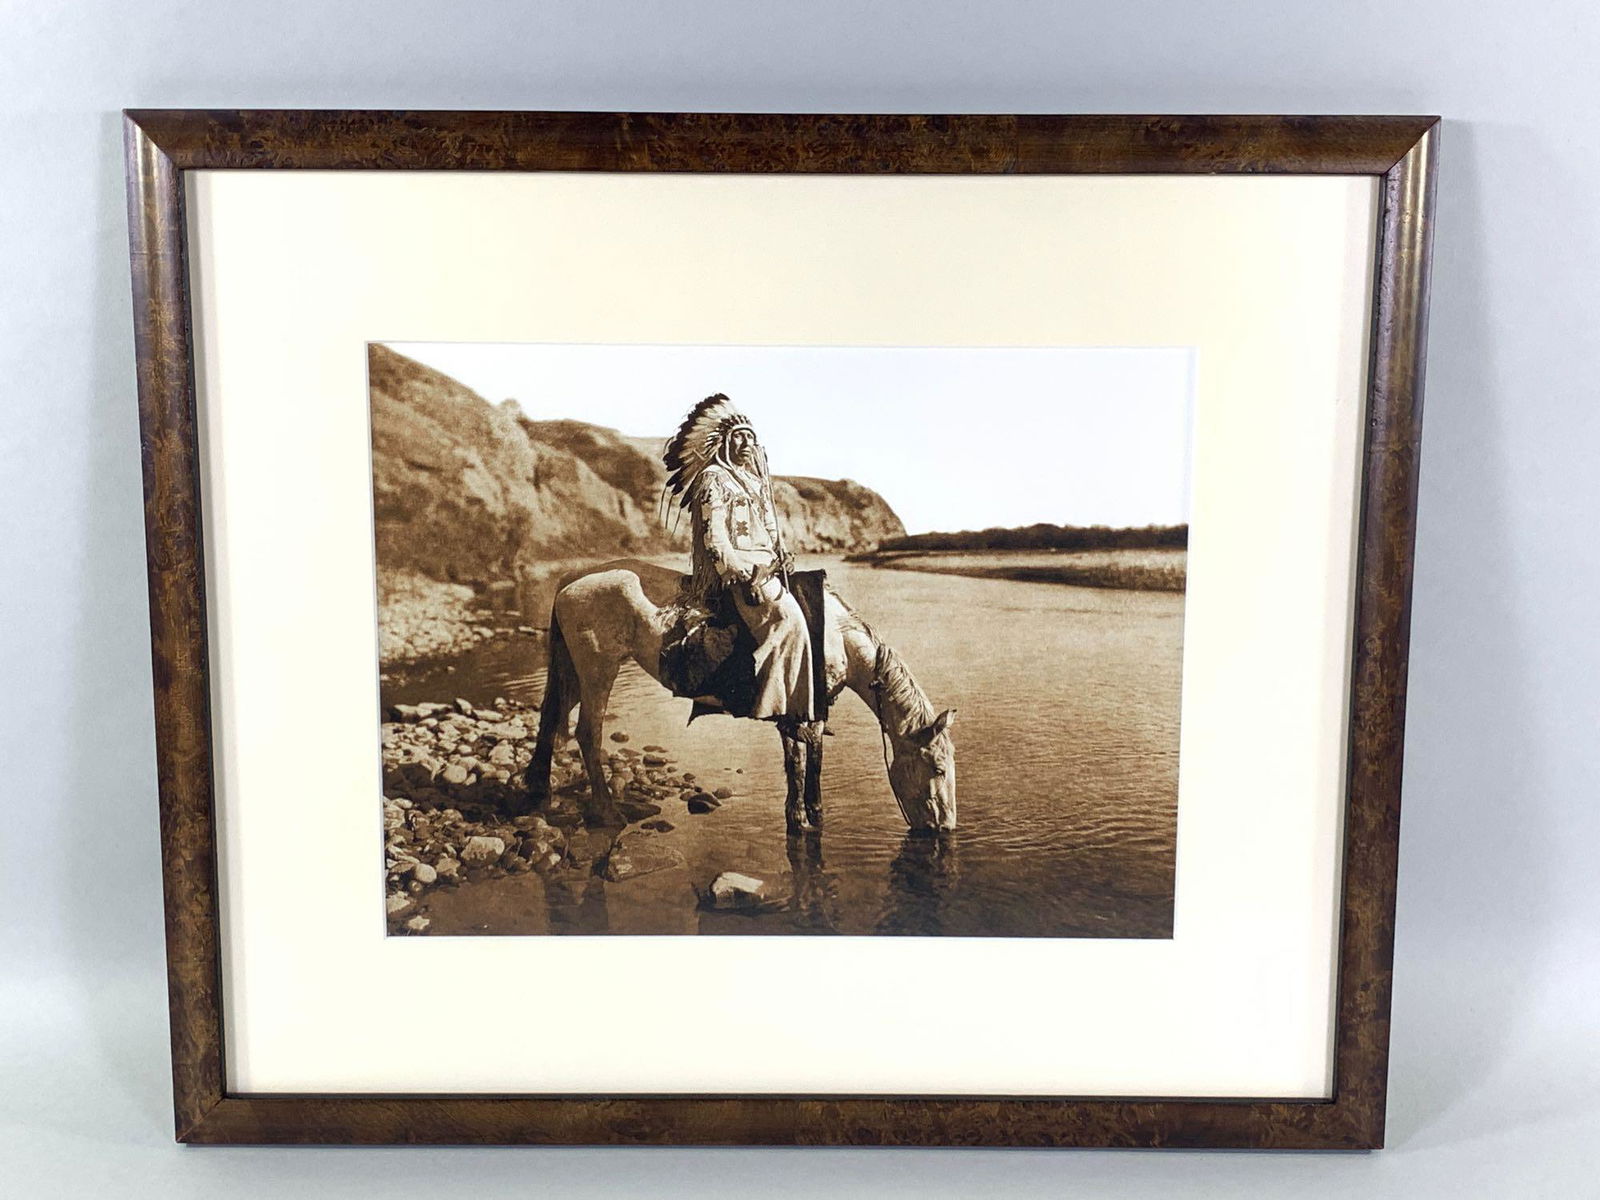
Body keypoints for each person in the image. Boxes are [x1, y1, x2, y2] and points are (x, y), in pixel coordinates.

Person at [663, 394, 816, 721]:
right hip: (742, 572)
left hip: (767, 566)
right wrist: (736, 570)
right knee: (791, 620)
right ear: (725, 443)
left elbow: (768, 526)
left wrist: (781, 551)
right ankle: (775, 705)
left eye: (751, 437)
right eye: (739, 437)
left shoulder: (755, 482)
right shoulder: (713, 478)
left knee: (811, 612)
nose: (746, 442)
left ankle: (795, 700)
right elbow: (713, 534)